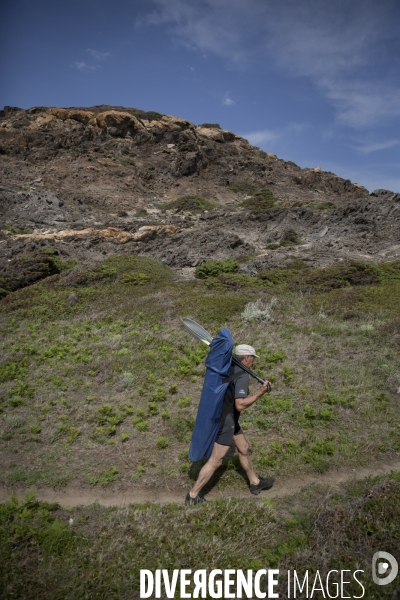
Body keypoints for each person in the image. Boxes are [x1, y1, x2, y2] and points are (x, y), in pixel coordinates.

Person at [185, 344, 274, 505]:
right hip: (225, 422)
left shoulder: (227, 368)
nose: (253, 361)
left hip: (225, 416)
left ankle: (255, 482)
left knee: (243, 448)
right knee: (216, 461)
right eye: (253, 358)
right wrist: (260, 393)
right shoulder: (242, 375)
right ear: (246, 358)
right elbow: (240, 404)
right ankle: (193, 495)